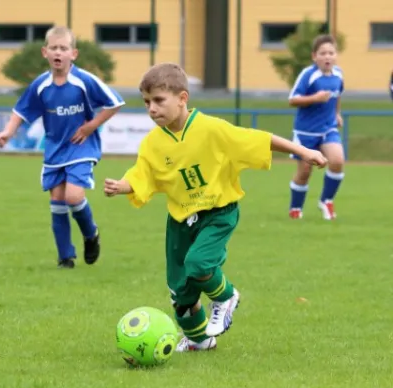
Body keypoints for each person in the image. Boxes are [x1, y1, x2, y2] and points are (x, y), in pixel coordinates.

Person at [104, 63, 327, 352]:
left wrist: (304, 151)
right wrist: (124, 185)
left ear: (183, 98)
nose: (152, 108)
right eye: (147, 102)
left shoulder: (211, 129)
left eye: (159, 100)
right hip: (181, 220)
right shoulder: (152, 143)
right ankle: (199, 340)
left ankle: (226, 297)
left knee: (199, 264)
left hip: (218, 213)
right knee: (180, 290)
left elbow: (260, 140)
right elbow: (143, 174)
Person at [0, 26, 124, 268]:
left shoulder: (84, 80)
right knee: (57, 199)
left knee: (74, 196)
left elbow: (115, 103)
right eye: (53, 48)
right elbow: (21, 111)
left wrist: (90, 126)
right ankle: (66, 257)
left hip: (82, 146)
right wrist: (7, 133)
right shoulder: (41, 85)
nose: (58, 52)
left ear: (73, 54)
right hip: (55, 149)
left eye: (63, 48)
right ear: (45, 52)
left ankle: (90, 234)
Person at [287, 34, 345, 220]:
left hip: (328, 128)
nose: (327, 56)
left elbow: (337, 95)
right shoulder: (308, 75)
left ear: (336, 55)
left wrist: (337, 114)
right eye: (323, 53)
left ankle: (326, 200)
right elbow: (293, 100)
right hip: (306, 132)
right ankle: (296, 208)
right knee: (304, 172)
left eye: (331, 52)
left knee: (337, 161)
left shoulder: (338, 74)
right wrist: (315, 98)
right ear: (314, 56)